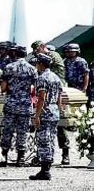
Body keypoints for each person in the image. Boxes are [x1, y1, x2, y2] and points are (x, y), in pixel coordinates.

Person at [0, 45, 38, 166]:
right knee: (23, 132)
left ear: (14, 53)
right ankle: (20, 158)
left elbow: (3, 87)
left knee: (7, 131)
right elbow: (35, 88)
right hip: (25, 104)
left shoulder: (8, 67)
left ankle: (3, 157)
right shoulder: (32, 69)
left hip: (11, 103)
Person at [32, 53, 65, 181]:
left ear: (41, 64)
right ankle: (46, 168)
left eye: (37, 63)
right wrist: (58, 109)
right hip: (54, 111)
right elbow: (59, 96)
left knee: (43, 140)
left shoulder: (42, 78)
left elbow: (41, 97)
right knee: (50, 139)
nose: (36, 66)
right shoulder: (56, 77)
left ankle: (45, 171)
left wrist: (37, 115)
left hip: (45, 111)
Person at [61, 43, 88, 165]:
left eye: (72, 51)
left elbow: (86, 75)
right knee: (63, 121)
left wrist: (84, 89)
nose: (69, 53)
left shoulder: (81, 61)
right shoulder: (64, 61)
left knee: (81, 121)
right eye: (67, 51)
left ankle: (86, 148)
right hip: (67, 91)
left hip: (78, 90)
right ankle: (65, 153)